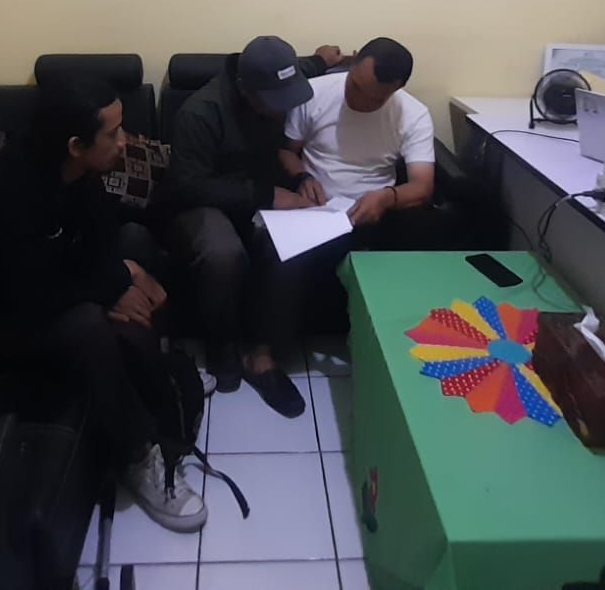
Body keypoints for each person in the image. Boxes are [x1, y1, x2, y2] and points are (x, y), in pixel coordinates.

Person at [0, 77, 206, 533]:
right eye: (114, 134)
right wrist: (111, 285)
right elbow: (25, 293)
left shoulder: (78, 172)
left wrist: (124, 274)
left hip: (37, 285)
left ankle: (162, 372)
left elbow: (100, 237)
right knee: (86, 323)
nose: (126, 141)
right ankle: (136, 454)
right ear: (76, 145)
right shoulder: (9, 193)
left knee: (134, 242)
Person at [161, 37, 343, 418]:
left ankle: (261, 357)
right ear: (245, 88)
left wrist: (327, 58)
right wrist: (266, 194)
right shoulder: (201, 113)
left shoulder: (277, 77)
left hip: (260, 201)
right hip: (205, 204)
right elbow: (186, 187)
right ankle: (222, 345)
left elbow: (307, 66)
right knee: (223, 253)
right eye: (274, 100)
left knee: (292, 245)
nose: (283, 108)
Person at [281, 36, 436, 244]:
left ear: (397, 88)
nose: (359, 101)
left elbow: (422, 186)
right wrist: (302, 177)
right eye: (355, 86)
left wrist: (386, 198)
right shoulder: (313, 93)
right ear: (353, 62)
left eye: (375, 99)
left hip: (376, 213)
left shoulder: (414, 115)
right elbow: (287, 151)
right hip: (315, 209)